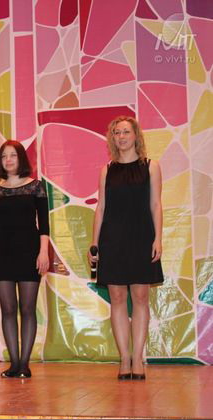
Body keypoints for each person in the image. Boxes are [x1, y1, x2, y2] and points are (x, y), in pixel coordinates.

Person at [89, 115, 163, 380]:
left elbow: (156, 205)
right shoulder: (106, 170)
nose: (121, 137)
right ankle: (124, 359)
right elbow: (101, 208)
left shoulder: (151, 166)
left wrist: (158, 238)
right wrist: (95, 243)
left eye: (125, 132)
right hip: (112, 239)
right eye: (116, 133)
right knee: (118, 298)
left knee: (140, 298)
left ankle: (138, 358)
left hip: (142, 237)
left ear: (136, 136)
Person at [0, 140, 49, 379]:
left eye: (13, 155)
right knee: (8, 310)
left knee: (27, 309)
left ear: (21, 159)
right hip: (2, 256)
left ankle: (25, 364)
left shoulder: (36, 187)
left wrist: (44, 252)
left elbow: (44, 225)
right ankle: (14, 364)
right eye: (4, 156)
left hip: (30, 253)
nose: (8, 160)